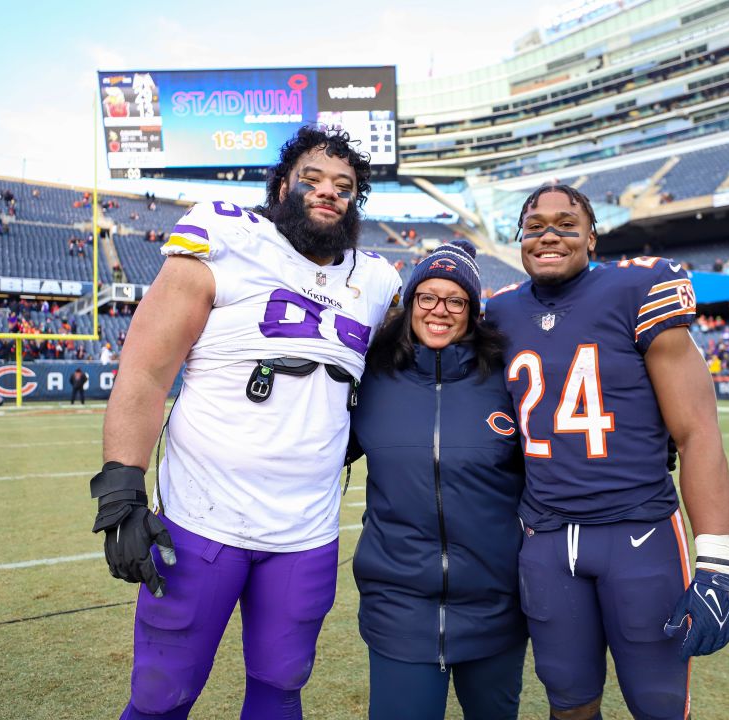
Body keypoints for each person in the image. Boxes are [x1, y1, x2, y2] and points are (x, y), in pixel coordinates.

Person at [92, 127, 402, 719]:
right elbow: (146, 372)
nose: (328, 192)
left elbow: (394, 377)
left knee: (281, 684)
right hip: (201, 520)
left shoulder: (377, 280)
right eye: (312, 179)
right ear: (282, 184)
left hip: (305, 531)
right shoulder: (227, 235)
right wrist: (121, 487)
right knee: (161, 693)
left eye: (344, 186)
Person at [485, 185, 729, 719]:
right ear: (520, 239)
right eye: (535, 225)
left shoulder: (637, 288)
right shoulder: (499, 314)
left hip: (638, 533)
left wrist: (716, 565)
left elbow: (698, 432)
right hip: (546, 539)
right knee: (568, 701)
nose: (549, 233)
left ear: (592, 237)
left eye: (566, 223)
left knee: (658, 705)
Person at [351, 240, 526, 720]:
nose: (440, 310)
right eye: (428, 296)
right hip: (399, 608)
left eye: (456, 300)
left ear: (472, 311)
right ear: (410, 305)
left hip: (496, 608)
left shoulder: (507, 380)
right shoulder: (372, 379)